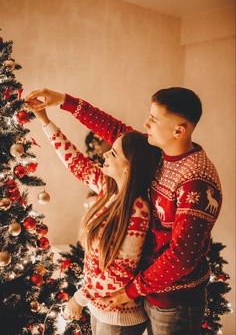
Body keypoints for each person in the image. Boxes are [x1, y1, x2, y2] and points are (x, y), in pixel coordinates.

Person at [26, 87, 222, 335]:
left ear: (179, 130)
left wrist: (126, 292)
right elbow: (110, 134)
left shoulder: (196, 180)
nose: (145, 123)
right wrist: (62, 102)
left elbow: (180, 257)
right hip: (143, 293)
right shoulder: (152, 155)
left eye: (154, 119)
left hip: (174, 302)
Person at [27, 100, 161, 335]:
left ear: (129, 166)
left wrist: (79, 298)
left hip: (119, 316)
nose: (105, 154)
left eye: (114, 153)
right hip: (100, 309)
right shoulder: (110, 189)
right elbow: (75, 162)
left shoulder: (137, 211)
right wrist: (45, 121)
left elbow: (120, 273)